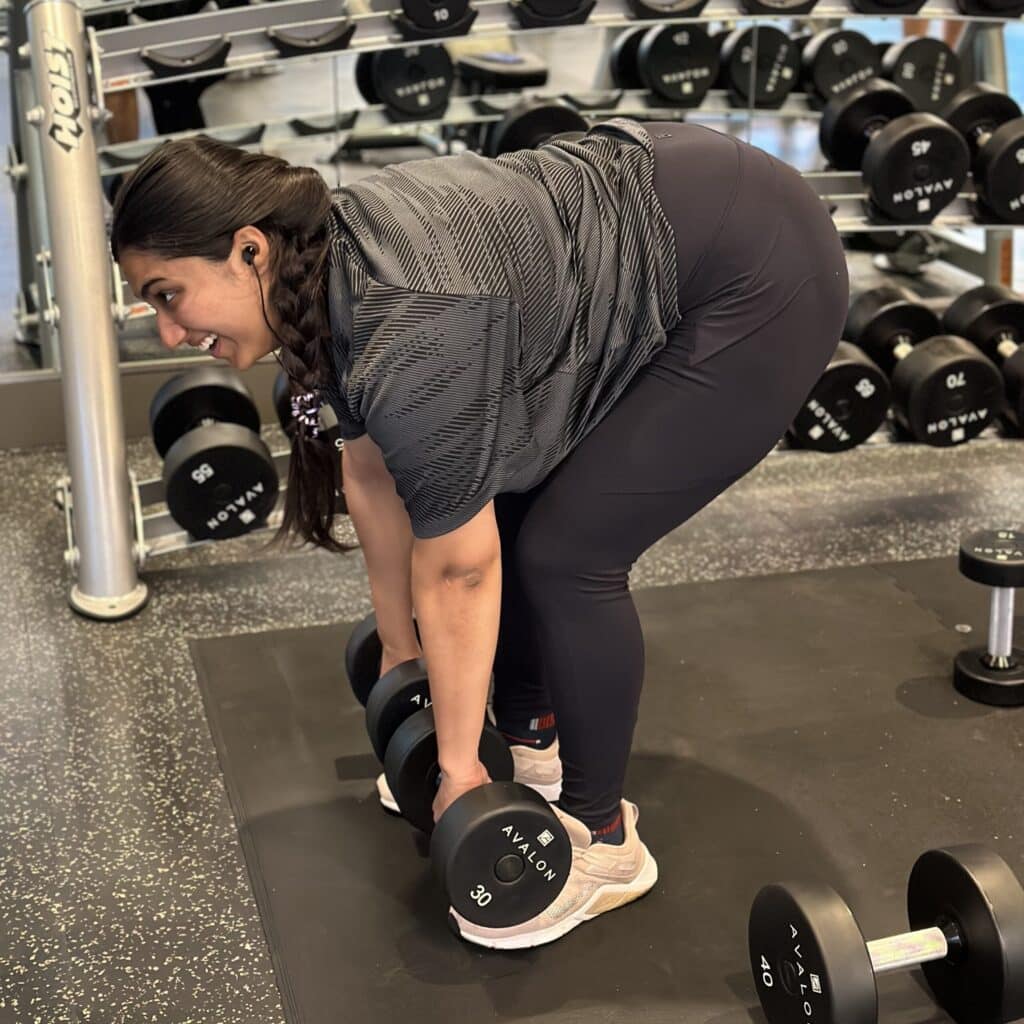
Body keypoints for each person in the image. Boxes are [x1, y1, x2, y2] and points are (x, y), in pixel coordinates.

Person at [111, 118, 848, 950]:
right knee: (519, 505)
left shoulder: (410, 321)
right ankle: (533, 736)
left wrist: (458, 770)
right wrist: (400, 653)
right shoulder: (312, 278)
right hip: (670, 207)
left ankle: (605, 842)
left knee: (570, 554)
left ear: (248, 250)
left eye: (167, 296)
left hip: (759, 269)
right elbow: (373, 476)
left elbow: (460, 572)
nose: (171, 335)